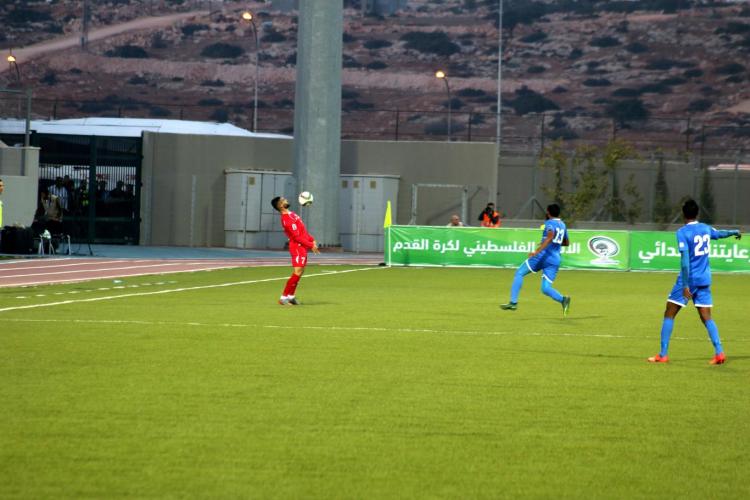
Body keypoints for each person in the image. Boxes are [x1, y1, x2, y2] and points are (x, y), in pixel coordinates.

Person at [648, 200, 741, 365]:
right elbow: (719, 234)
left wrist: (684, 285)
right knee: (706, 316)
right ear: (697, 213)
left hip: (690, 279)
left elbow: (685, 262)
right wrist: (733, 231)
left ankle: (663, 354)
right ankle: (719, 353)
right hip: (705, 279)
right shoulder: (705, 228)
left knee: (669, 312)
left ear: (683, 214)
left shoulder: (682, 232)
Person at [500, 203, 571, 315]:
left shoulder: (549, 223)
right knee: (545, 288)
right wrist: (552, 242)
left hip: (542, 256)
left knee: (519, 273)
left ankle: (513, 303)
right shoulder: (562, 225)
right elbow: (566, 242)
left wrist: (537, 251)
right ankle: (563, 299)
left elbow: (550, 236)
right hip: (555, 259)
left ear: (548, 212)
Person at [271, 195, 320, 305]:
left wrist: (312, 240)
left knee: (300, 272)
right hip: (297, 247)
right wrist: (310, 245)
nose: (287, 200)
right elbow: (297, 237)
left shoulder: (292, 214)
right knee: (297, 271)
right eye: (284, 200)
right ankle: (283, 298)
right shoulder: (286, 219)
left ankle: (291, 296)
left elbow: (303, 230)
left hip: (302, 246)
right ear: (280, 205)